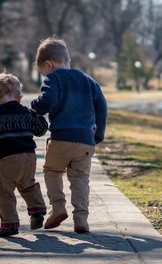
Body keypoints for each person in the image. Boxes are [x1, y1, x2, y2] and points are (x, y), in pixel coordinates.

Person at [31, 38, 107, 233]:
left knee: (52, 171)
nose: (44, 76)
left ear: (49, 65)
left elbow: (47, 102)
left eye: (42, 73)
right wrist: (98, 134)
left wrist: (35, 106)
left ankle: (57, 207)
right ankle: (81, 219)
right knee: (81, 179)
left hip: (61, 138)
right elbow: (102, 106)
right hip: (85, 141)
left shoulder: (53, 78)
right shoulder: (88, 80)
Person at [0, 73, 48, 237]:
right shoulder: (26, 112)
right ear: (16, 94)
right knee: (27, 184)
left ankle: (9, 223)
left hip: (7, 159)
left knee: (4, 191)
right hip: (29, 157)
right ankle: (37, 210)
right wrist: (38, 116)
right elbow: (41, 129)